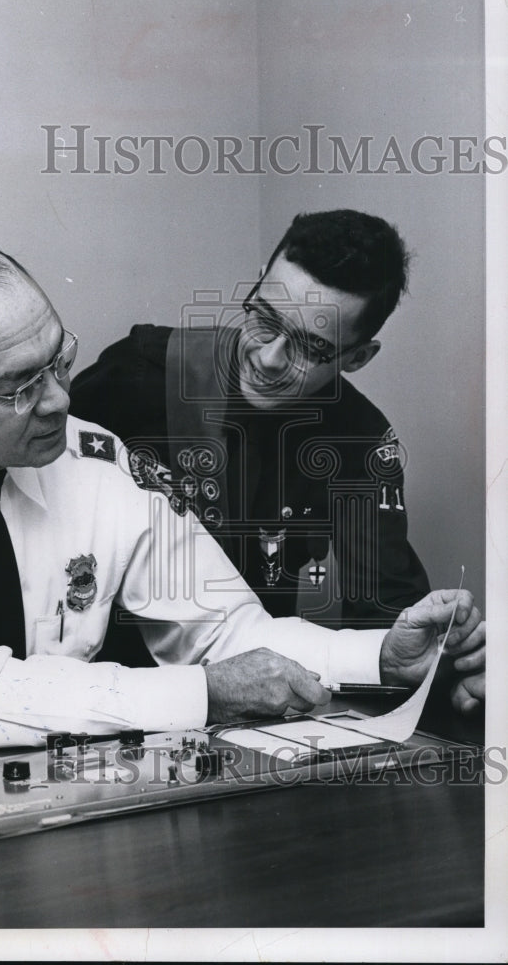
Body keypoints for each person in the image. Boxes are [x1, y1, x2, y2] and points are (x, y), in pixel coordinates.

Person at [0, 234, 484, 749]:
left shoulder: (96, 458)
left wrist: (378, 656)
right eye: (21, 387)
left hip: (53, 774)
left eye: (59, 360)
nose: (60, 401)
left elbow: (223, 629)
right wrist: (203, 694)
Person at [70, 210, 431, 654]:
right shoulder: (141, 372)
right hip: (106, 672)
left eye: (311, 348)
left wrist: (433, 655)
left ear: (358, 358)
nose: (269, 359)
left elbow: (385, 610)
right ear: (260, 281)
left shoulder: (359, 440)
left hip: (253, 678)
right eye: (265, 318)